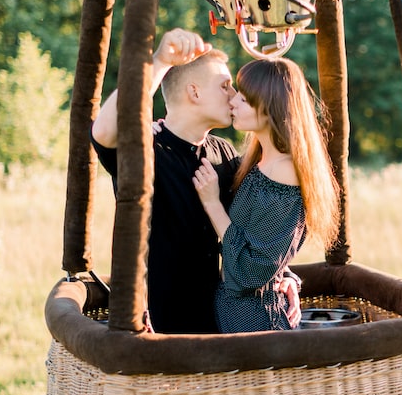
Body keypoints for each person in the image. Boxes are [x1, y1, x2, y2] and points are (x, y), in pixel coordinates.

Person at [91, 28, 300, 334]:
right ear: (194, 92)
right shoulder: (146, 150)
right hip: (160, 327)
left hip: (220, 322)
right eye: (226, 86)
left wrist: (284, 276)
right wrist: (161, 61)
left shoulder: (225, 154)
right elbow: (103, 130)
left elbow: (252, 233)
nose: (234, 96)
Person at [193, 58, 340, 333]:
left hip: (256, 324)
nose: (233, 102)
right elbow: (270, 249)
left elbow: (252, 271)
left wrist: (213, 204)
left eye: (245, 99)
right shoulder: (261, 163)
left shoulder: (284, 173)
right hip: (238, 317)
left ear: (271, 109)